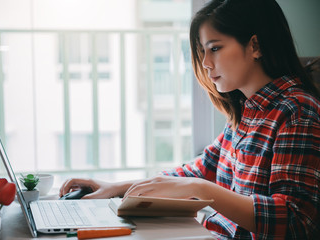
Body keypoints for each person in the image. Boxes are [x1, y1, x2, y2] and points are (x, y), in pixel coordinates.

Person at [59, 0, 320, 238]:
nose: (205, 63)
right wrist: (116, 187)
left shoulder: (296, 111)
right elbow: (197, 171)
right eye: (202, 51)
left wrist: (203, 191)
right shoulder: (248, 111)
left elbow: (296, 221)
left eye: (214, 48)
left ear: (255, 45)